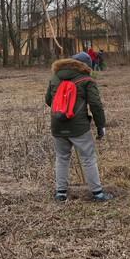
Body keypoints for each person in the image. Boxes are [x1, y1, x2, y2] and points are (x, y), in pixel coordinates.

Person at [45, 51, 113, 202]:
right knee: (88, 158)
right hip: (79, 127)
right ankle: (98, 193)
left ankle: (61, 193)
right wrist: (100, 125)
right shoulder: (87, 80)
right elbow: (95, 104)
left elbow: (49, 100)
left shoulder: (55, 78)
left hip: (57, 125)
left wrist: (62, 108)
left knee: (62, 158)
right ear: (87, 65)